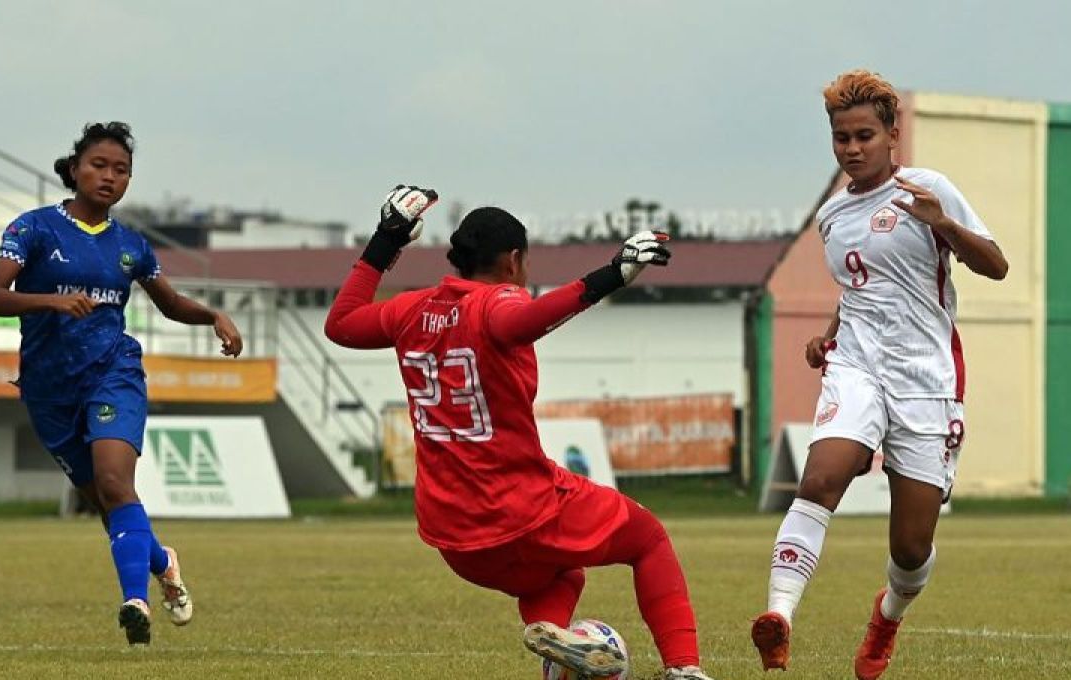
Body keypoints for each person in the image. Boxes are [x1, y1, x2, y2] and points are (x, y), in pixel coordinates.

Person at [325, 186, 716, 680]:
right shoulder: (496, 304)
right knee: (649, 539)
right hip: (519, 507)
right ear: (513, 261)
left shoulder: (412, 309)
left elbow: (340, 324)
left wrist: (386, 240)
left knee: (560, 571)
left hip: (453, 533)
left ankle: (552, 636)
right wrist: (611, 274)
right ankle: (684, 669)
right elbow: (523, 320)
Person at [750, 70, 1009, 679]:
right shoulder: (832, 216)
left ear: (893, 134)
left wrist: (942, 224)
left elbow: (995, 265)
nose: (851, 148)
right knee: (819, 479)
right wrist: (829, 338)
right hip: (857, 368)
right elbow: (860, 290)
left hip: (926, 378)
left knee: (911, 548)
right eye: (841, 137)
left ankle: (887, 616)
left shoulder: (929, 189)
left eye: (864, 135)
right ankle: (779, 619)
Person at [0, 122, 244, 645]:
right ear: (75, 168)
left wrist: (213, 315)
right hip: (49, 387)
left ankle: (135, 603)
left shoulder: (130, 246)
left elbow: (168, 303)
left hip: (112, 373)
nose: (109, 177)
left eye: (121, 171)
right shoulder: (32, 229)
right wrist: (49, 300)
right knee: (105, 500)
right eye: (99, 165)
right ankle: (163, 563)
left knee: (116, 484)